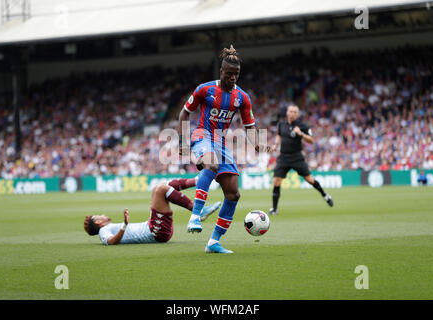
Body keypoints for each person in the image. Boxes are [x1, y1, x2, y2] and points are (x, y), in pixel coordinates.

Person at [178, 44, 269, 254]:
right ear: (221, 72)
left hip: (221, 142)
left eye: (236, 74)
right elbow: (184, 113)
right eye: (229, 74)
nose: (233, 78)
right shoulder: (205, 89)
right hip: (202, 135)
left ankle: (213, 242)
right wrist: (182, 141)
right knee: (211, 163)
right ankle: (195, 215)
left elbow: (250, 126)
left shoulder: (242, 98)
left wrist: (256, 142)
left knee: (233, 194)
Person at [83, 177, 221, 245]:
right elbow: (111, 242)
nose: (103, 215)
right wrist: (125, 224)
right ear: (98, 221)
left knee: (160, 187)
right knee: (160, 189)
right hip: (156, 231)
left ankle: (198, 179)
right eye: (99, 215)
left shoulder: (107, 227)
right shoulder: (103, 231)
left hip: (154, 227)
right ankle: (198, 211)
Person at [269, 104, 333, 215]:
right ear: (287, 113)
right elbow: (279, 135)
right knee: (276, 181)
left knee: (310, 179)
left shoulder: (302, 126)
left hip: (296, 157)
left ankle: (325, 195)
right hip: (283, 157)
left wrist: (301, 134)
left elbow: (312, 140)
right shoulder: (281, 124)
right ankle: (274, 209)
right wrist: (276, 144)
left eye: (295, 112)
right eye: (291, 111)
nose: (292, 113)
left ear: (297, 114)